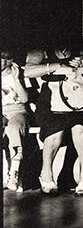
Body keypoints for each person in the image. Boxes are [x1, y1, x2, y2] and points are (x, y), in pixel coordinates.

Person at [24, 37, 83, 195]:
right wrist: (59, 65)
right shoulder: (42, 46)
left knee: (79, 127)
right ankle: (46, 173)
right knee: (55, 129)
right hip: (50, 101)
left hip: (79, 101)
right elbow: (28, 71)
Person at [2, 51, 30, 192]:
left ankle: (14, 170)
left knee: (14, 128)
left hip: (17, 109)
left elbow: (25, 99)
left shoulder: (17, 73)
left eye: (4, 59)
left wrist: (17, 79)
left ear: (9, 60)